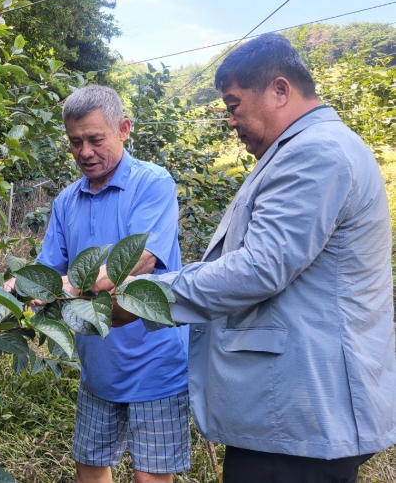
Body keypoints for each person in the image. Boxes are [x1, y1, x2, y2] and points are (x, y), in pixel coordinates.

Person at [125, 33, 396, 483]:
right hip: (295, 414)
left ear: (280, 90)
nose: (230, 121)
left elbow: (258, 268)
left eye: (234, 105)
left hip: (299, 418)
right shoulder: (302, 149)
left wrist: (143, 297)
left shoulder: (315, 152)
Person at [4, 85, 190, 482]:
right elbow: (48, 269)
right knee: (89, 467)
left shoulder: (152, 183)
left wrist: (70, 286)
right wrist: (21, 285)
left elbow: (142, 258)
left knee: (151, 475)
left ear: (123, 129)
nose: (85, 152)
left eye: (95, 139)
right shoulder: (66, 202)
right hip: (99, 364)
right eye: (75, 142)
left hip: (156, 362)